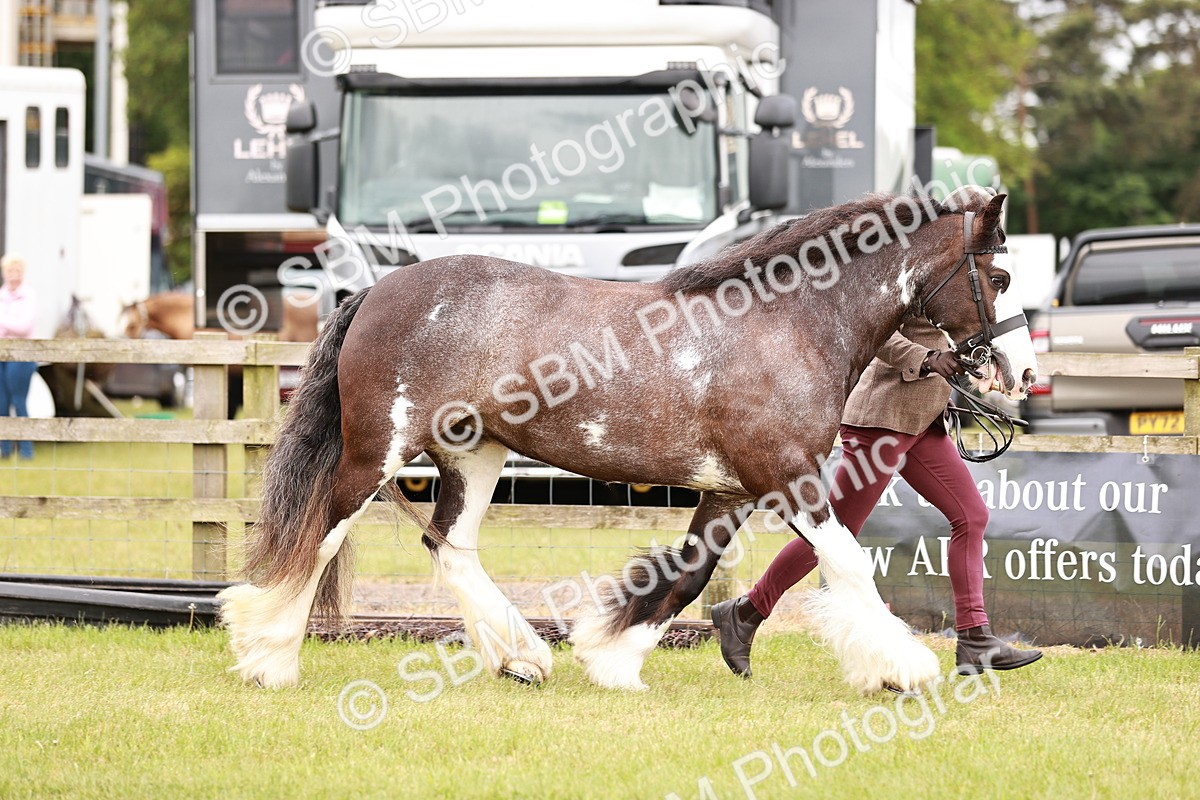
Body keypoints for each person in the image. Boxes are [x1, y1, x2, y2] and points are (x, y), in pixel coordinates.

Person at [710, 313, 1043, 681]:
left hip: (923, 420)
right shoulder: (908, 265)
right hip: (882, 419)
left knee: (971, 515)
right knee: (834, 532)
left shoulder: (954, 274)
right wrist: (928, 358)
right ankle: (745, 612)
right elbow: (878, 333)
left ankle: (974, 639)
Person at [0, 254, 39, 459]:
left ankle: (26, 449)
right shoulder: (2, 295)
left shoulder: (29, 296)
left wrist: (4, 322)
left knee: (19, 400)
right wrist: (10, 324)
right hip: (2, 354)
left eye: (17, 272)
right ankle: (4, 450)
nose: (13, 276)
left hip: (22, 355)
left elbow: (24, 327)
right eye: (9, 272)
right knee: (1, 402)